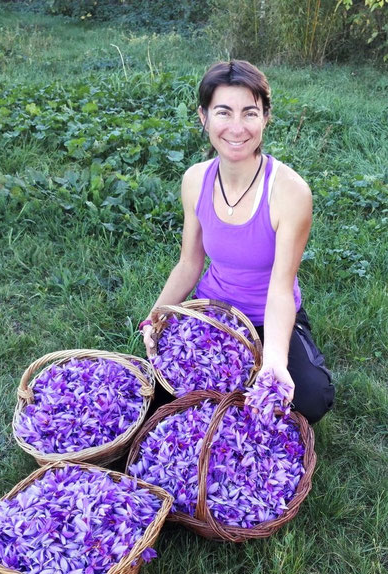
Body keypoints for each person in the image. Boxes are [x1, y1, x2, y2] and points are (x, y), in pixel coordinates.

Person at [139, 59, 334, 424]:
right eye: (223, 112)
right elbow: (189, 264)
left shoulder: (289, 192)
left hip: (269, 316)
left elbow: (280, 287)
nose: (236, 128)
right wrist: (156, 316)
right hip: (215, 313)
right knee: (159, 397)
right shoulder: (195, 180)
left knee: (310, 398)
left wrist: (274, 358)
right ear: (204, 117)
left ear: (266, 117)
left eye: (250, 113)